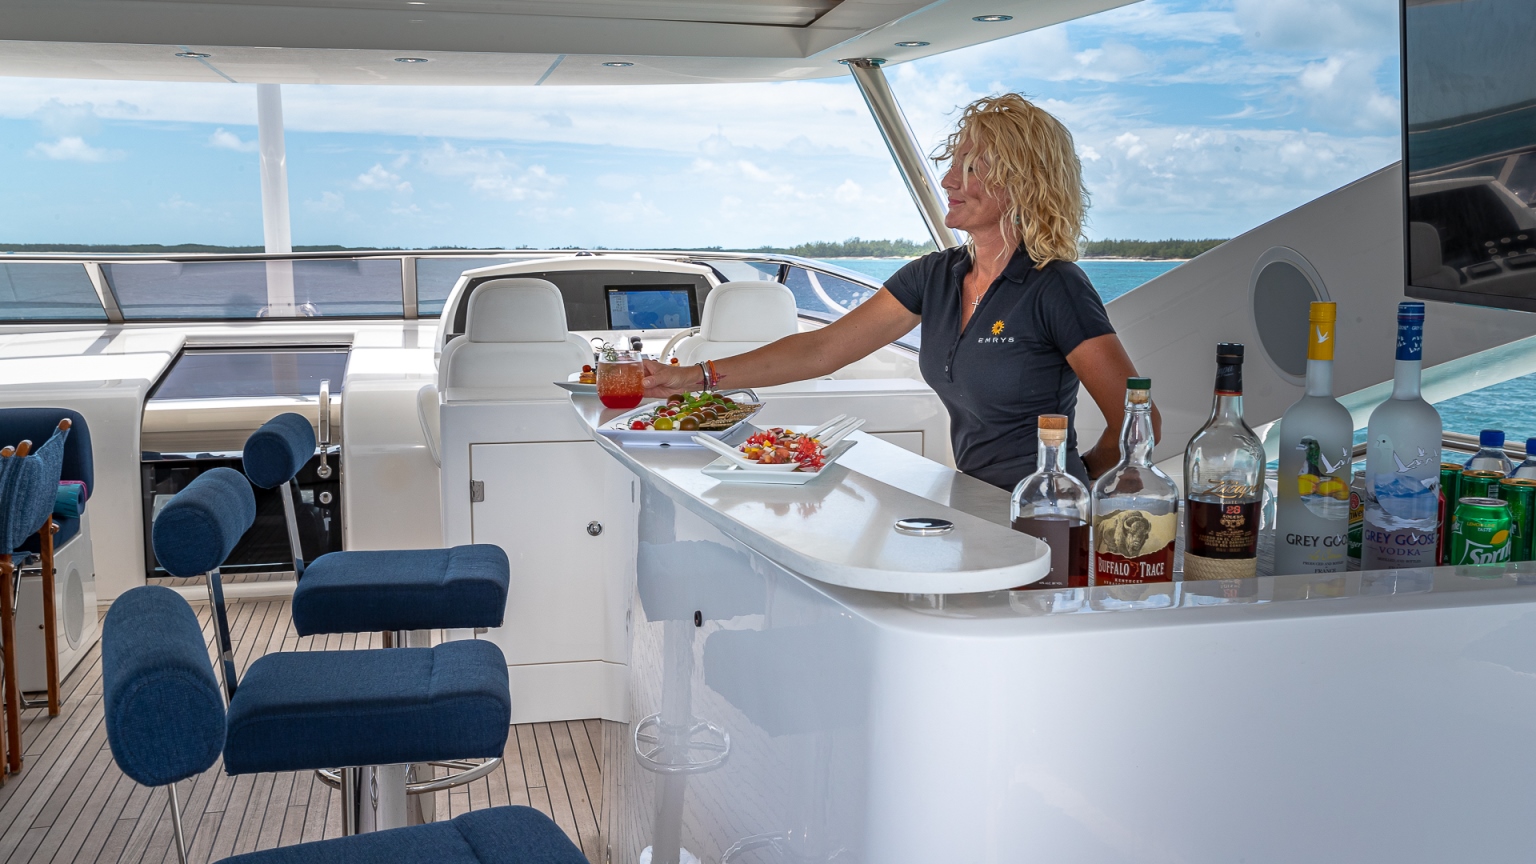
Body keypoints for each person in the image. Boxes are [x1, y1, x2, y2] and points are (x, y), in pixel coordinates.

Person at [642, 93, 1158, 490]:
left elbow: (1140, 421)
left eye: (970, 167)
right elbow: (822, 349)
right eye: (952, 164)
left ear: (1021, 182)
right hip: (973, 498)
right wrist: (692, 378)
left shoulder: (1054, 285)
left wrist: (1076, 477)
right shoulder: (934, 276)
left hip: (1044, 513)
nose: (948, 181)